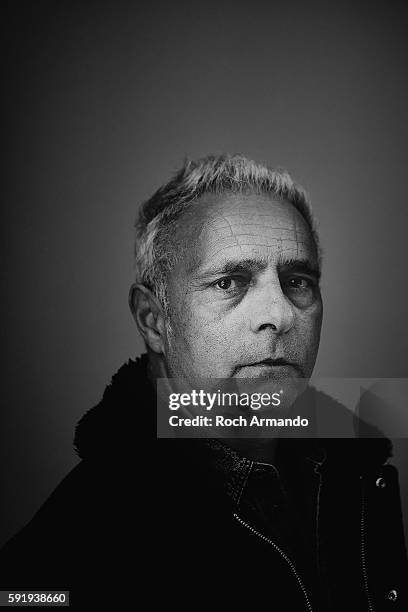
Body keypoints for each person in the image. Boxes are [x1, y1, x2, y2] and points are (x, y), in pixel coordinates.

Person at [0, 155, 407, 610]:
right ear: (153, 320)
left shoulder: (355, 477)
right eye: (229, 282)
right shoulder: (76, 544)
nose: (280, 314)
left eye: (297, 281)